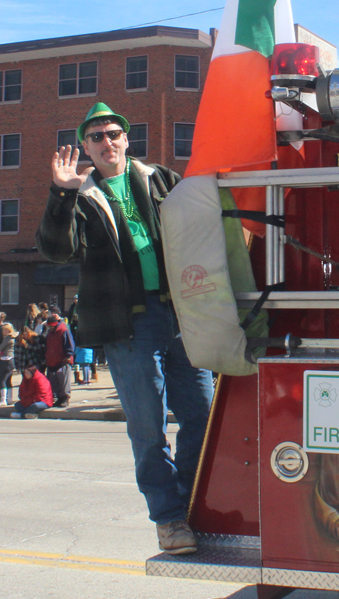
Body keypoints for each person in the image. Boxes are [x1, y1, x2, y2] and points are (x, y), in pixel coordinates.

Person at [36, 102, 213, 555]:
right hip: (128, 324)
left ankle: (195, 504)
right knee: (148, 428)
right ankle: (170, 520)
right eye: (95, 137)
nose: (106, 142)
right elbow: (57, 252)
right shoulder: (82, 193)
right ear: (86, 148)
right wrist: (62, 193)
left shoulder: (160, 180)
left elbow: (202, 227)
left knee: (201, 416)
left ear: (127, 138)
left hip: (182, 315)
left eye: (113, 133)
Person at [45, 315, 75, 407]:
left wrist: (68, 356)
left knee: (64, 382)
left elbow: (70, 345)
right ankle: (59, 398)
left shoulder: (64, 331)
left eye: (52, 326)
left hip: (62, 361)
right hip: (52, 361)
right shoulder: (50, 333)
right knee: (54, 382)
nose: (50, 328)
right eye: (49, 326)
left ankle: (65, 398)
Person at [0, 323, 18, 405]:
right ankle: (10, 399)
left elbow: (1, 347)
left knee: (2, 380)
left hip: (5, 360)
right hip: (11, 360)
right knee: (8, 381)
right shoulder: (13, 337)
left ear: (10, 330)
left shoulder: (8, 337)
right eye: (3, 329)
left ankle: (3, 400)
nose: (4, 331)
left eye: (6, 329)